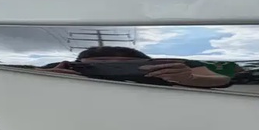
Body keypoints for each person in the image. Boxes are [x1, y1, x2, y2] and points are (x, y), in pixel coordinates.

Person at [44, 46, 232, 88]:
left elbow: (222, 80)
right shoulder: (64, 67)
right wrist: (47, 78)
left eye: (128, 65)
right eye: (97, 65)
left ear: (149, 63)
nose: (112, 69)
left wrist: (189, 78)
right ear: (78, 65)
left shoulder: (174, 66)